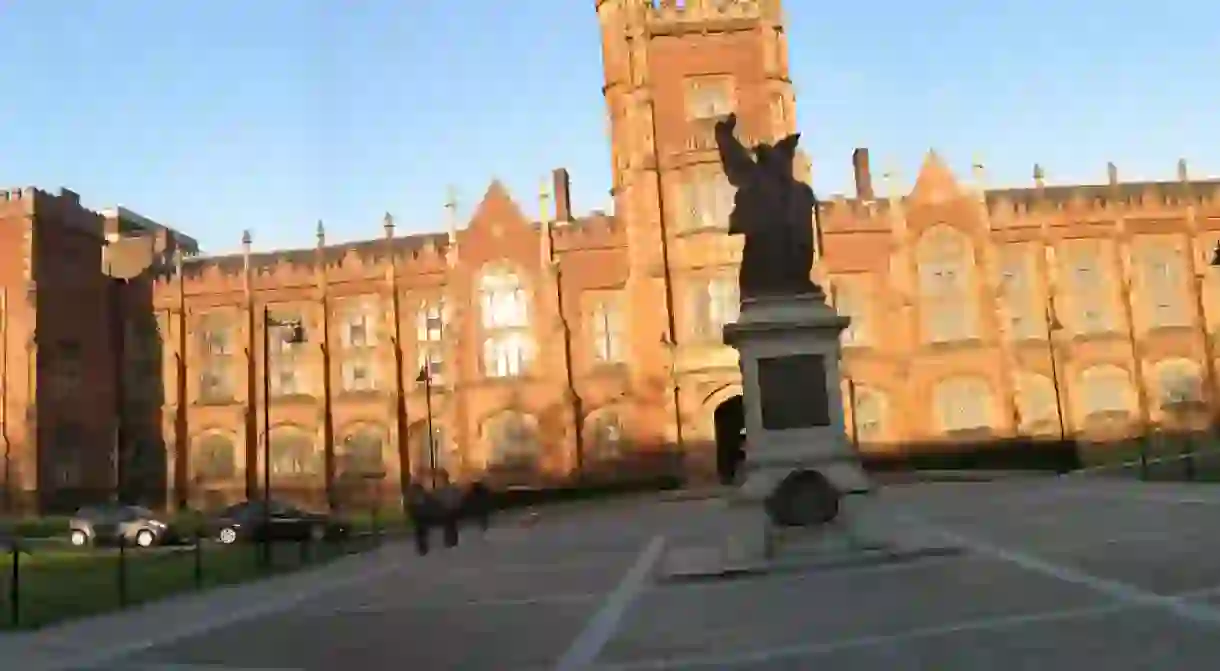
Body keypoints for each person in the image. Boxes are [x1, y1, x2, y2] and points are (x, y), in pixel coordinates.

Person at [405, 480, 435, 556]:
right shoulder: (416, 498)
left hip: (422, 518)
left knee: (421, 532)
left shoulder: (420, 497)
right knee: (421, 532)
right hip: (421, 518)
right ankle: (423, 548)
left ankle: (423, 548)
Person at [435, 471, 464, 548]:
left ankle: (451, 542)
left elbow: (456, 503)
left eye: (439, 479)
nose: (437, 481)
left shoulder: (452, 490)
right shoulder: (437, 491)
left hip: (451, 516)